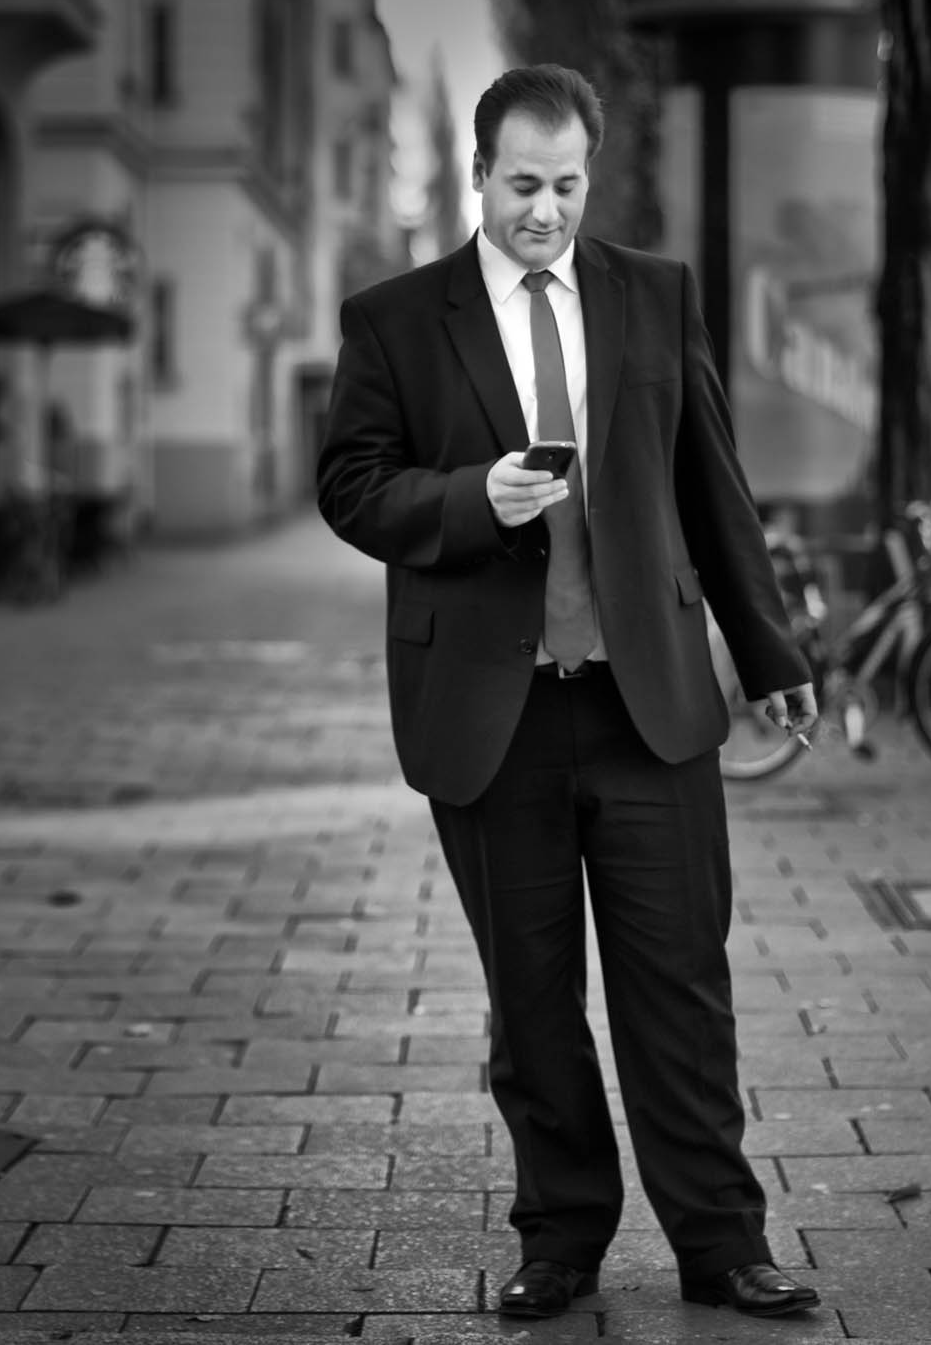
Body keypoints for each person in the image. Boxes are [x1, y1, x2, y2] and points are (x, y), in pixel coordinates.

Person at [315, 64, 820, 1321]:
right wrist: (464, 501)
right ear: (480, 173)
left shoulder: (653, 296)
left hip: (647, 702)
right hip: (492, 716)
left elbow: (714, 481)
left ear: (585, 176)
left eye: (565, 185)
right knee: (532, 1003)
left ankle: (720, 1240)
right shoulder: (394, 318)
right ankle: (561, 1238)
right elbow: (350, 485)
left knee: (679, 985)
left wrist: (772, 657)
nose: (544, 209)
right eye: (521, 184)